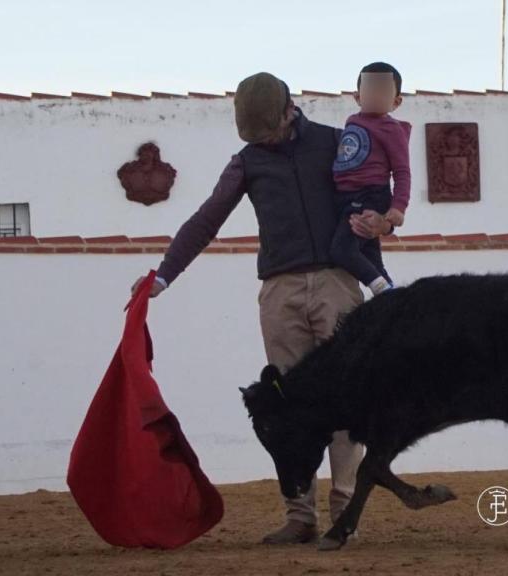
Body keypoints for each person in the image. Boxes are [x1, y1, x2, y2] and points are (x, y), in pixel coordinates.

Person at [130, 72, 395, 545]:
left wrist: (385, 223)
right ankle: (301, 515)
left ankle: (345, 512)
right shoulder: (248, 161)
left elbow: (374, 196)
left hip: (338, 281)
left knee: (349, 399)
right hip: (280, 290)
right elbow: (206, 219)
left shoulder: (338, 143)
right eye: (256, 136)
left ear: (290, 110)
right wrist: (164, 276)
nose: (264, 142)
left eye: (268, 132)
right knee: (288, 405)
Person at [329, 62, 411, 295]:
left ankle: (379, 288)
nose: (376, 96)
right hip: (346, 196)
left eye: (384, 92)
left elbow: (402, 171)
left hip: (370, 195)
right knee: (370, 254)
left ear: (396, 102)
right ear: (357, 97)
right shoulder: (352, 121)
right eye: (370, 90)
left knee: (342, 250)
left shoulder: (392, 129)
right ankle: (393, 297)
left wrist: (398, 207)